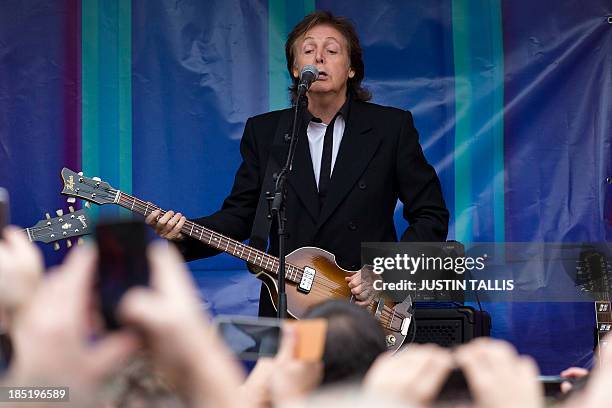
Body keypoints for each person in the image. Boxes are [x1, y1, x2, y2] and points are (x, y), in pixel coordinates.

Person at [145, 10, 449, 317]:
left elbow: (430, 214)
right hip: (287, 306)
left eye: (332, 50)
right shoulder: (265, 132)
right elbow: (241, 216)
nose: (319, 58)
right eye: (307, 51)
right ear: (294, 68)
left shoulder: (390, 128)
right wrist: (185, 232)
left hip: (366, 309)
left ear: (352, 68)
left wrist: (385, 274)